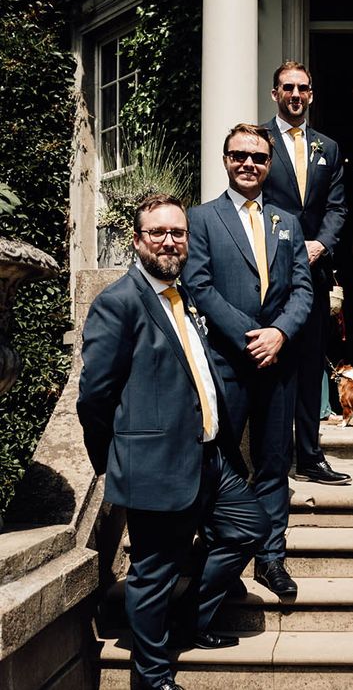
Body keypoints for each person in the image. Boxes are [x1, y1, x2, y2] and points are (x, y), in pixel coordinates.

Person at [78, 194, 269, 690]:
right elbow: (94, 396)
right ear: (138, 240)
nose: (170, 241)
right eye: (158, 232)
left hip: (210, 456)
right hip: (155, 464)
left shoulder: (185, 297)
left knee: (249, 527)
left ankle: (188, 623)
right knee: (151, 575)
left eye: (178, 232)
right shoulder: (118, 302)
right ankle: (153, 678)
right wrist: (115, 458)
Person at [182, 124, 313, 597]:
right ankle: (223, 559)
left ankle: (271, 560)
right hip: (227, 363)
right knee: (222, 461)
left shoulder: (287, 222)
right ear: (225, 159)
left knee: (275, 464)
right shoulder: (202, 219)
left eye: (258, 157)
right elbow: (199, 285)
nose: (248, 164)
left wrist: (278, 333)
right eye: (239, 155)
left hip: (278, 363)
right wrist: (250, 336)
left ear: (269, 164)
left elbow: (303, 288)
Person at [261, 60, 350, 485]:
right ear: (275, 93)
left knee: (313, 360)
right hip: (268, 269)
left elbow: (336, 207)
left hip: (313, 270)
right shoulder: (257, 141)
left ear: (311, 95)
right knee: (275, 364)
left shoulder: (327, 148)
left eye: (303, 88)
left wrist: (321, 244)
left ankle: (311, 458)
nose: (295, 94)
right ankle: (272, 460)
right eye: (287, 88)